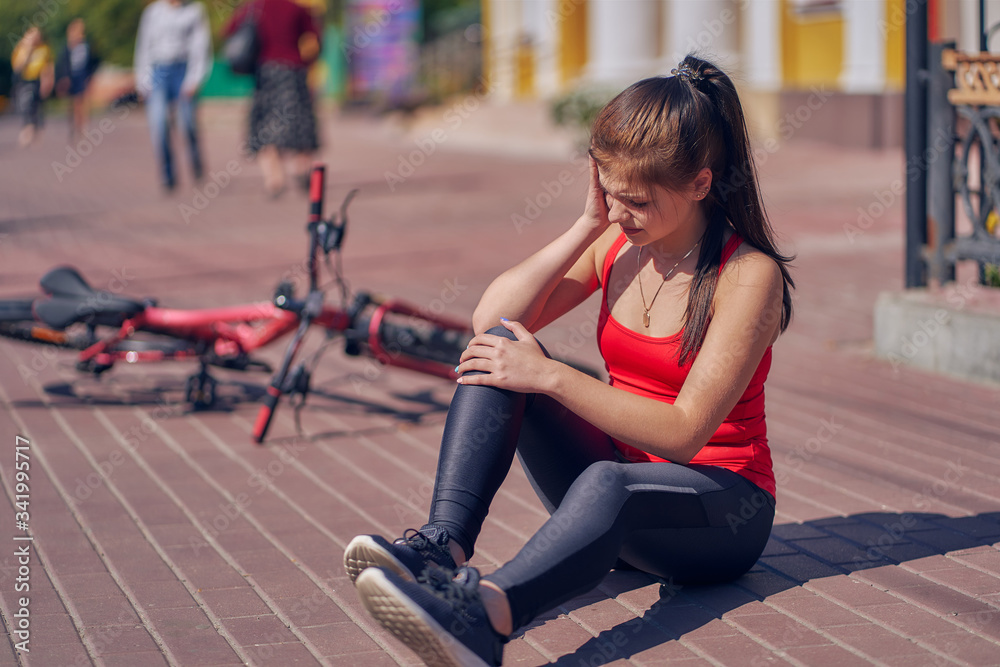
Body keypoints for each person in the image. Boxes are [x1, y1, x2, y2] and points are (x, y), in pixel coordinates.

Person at [343, 54, 796, 667]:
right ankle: (440, 549)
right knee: (502, 344)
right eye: (607, 195)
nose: (617, 213)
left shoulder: (749, 277)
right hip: (616, 502)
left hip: (720, 515)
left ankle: (483, 618)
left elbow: (687, 434)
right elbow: (491, 317)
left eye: (633, 201)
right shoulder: (616, 240)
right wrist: (586, 224)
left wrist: (553, 377)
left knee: (603, 474)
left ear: (700, 183)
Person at [223, 0, 322, 198]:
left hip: (266, 72)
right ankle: (301, 169)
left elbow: (229, 30)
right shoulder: (297, 9)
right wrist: (307, 61)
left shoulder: (255, 7)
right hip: (294, 71)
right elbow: (316, 37)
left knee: (266, 126)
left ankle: (274, 179)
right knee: (298, 124)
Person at [134, 0, 213, 192]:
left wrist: (195, 79)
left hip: (183, 70)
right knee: (159, 125)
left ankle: (196, 163)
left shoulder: (194, 11)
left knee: (187, 124)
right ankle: (168, 174)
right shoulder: (152, 13)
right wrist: (143, 82)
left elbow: (201, 47)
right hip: (159, 72)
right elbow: (143, 47)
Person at [55, 18, 101, 141]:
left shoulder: (87, 45)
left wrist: (91, 75)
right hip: (70, 77)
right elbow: (62, 64)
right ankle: (75, 126)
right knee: (74, 103)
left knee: (84, 101)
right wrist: (63, 78)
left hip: (83, 75)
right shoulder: (66, 48)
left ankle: (84, 127)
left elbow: (94, 60)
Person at [11, 26, 54, 148]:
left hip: (37, 81)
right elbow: (17, 67)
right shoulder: (21, 49)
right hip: (24, 81)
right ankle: (27, 129)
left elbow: (48, 66)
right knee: (25, 105)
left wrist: (48, 81)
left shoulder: (44, 49)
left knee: (37, 106)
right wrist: (28, 50)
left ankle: (36, 129)